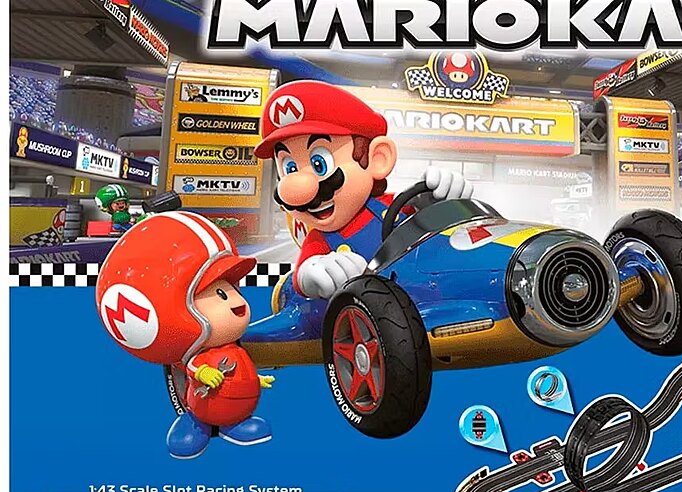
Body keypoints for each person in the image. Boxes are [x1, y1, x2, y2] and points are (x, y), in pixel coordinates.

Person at [245, 81, 472, 349]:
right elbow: (304, 271)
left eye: (319, 163)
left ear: (378, 158)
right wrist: (311, 274)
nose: (298, 190)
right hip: (376, 327)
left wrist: (440, 200)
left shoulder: (396, 206)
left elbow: (434, 226)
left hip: (428, 300)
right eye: (289, 168)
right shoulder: (321, 240)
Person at [96, 210, 274, 459]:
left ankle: (233, 424)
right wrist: (203, 372)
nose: (238, 303)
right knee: (198, 413)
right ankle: (195, 422)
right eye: (220, 294)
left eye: (231, 288)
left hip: (237, 409)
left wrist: (253, 379)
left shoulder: (231, 345)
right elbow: (193, 366)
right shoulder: (189, 350)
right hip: (201, 401)